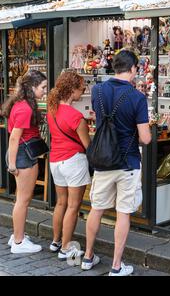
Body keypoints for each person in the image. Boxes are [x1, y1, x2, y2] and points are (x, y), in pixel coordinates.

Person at [82, 50, 151, 276]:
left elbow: (98, 117)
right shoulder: (137, 97)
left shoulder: (98, 90)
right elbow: (145, 138)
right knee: (123, 213)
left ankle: (88, 256)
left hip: (102, 159)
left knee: (96, 209)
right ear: (133, 69)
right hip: (127, 162)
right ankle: (116, 266)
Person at [46, 71, 91, 260]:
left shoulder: (52, 109)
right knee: (74, 206)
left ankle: (56, 241)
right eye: (81, 88)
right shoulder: (76, 116)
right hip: (73, 161)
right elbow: (88, 145)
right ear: (72, 90)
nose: (83, 91)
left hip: (56, 161)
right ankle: (66, 248)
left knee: (61, 203)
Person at [1, 70, 47, 253]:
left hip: (20, 154)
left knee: (21, 199)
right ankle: (19, 242)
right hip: (22, 156)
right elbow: (14, 137)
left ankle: (17, 236)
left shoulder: (22, 104)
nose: (45, 91)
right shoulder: (25, 108)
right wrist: (12, 164)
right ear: (32, 87)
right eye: (43, 87)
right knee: (23, 200)